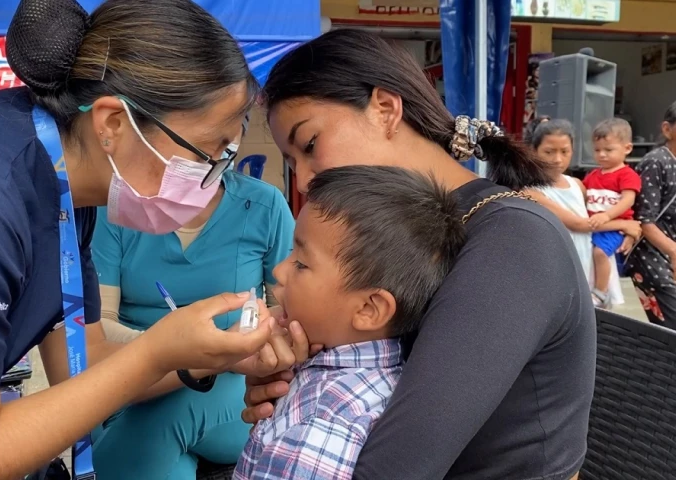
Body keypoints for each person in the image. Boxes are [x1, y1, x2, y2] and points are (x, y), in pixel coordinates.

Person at [0, 1, 311, 479]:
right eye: (206, 153)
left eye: (227, 156)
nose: (213, 178)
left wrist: (208, 356)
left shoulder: (68, 192)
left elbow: (82, 364)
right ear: (112, 124)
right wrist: (155, 351)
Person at [241, 29, 596, 480]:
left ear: (385, 109)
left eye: (310, 145)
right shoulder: (396, 239)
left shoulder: (512, 240)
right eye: (293, 164)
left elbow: (397, 468)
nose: (306, 180)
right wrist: (295, 382)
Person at [234, 166, 466, 480]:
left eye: (301, 263)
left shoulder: (324, 418)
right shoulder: (370, 376)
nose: (279, 272)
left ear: (370, 309)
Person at [90, 137, 294, 478]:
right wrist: (176, 349)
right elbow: (101, 324)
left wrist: (231, 345)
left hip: (230, 384)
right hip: (131, 374)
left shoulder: (264, 205)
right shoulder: (115, 207)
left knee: (155, 421)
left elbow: (286, 312)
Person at [522, 118, 641, 307]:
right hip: (559, 262)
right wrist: (627, 225)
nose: (557, 159)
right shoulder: (531, 191)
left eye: (564, 151)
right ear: (534, 151)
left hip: (589, 258)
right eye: (549, 152)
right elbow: (579, 224)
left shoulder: (577, 185)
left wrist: (627, 232)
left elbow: (593, 219)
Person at [582, 118, 641, 307]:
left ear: (627, 148)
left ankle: (601, 291)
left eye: (608, 150)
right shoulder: (592, 176)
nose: (602, 155)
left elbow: (628, 200)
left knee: (600, 253)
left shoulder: (627, 175)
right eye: (598, 150)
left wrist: (607, 216)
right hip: (593, 227)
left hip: (614, 228)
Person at [626, 101, 676, 327]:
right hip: (653, 254)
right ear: (667, 129)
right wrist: (674, 253)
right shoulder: (657, 162)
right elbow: (645, 221)